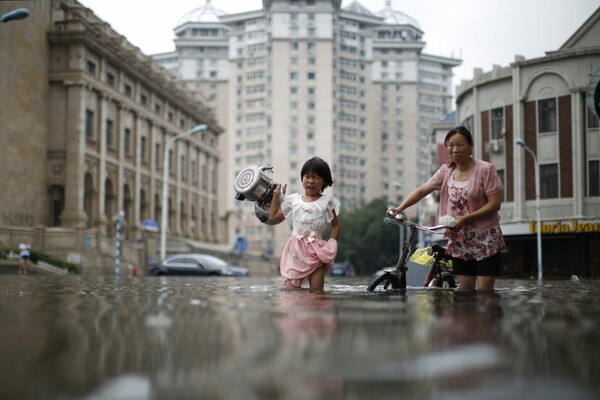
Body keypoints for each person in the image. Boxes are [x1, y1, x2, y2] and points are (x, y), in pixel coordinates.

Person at [388, 126, 506, 291]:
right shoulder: (446, 170)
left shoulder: (486, 170)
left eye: (459, 144)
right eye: (450, 145)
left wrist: (465, 218)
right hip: (459, 240)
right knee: (465, 291)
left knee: (485, 292)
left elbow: (495, 204)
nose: (454, 149)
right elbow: (422, 190)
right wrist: (399, 208)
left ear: (470, 146)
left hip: (485, 238)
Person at [269, 157, 341, 292]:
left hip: (316, 254)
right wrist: (275, 196)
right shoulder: (292, 200)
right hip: (294, 253)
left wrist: (331, 245)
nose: (311, 181)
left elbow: (336, 226)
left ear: (324, 181)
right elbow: (272, 218)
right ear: (302, 178)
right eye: (307, 176)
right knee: (291, 294)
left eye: (316, 177)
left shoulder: (327, 202)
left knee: (317, 294)